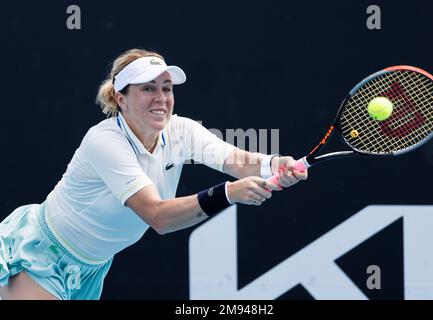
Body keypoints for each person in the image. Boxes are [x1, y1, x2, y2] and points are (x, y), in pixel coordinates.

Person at [0, 48, 307, 300]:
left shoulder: (182, 130)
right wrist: (228, 194)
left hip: (92, 267)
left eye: (166, 88)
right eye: (148, 88)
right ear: (121, 98)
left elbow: (239, 160)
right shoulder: (104, 141)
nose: (161, 97)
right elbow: (157, 216)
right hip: (43, 254)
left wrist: (275, 164)